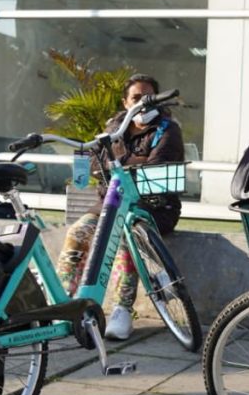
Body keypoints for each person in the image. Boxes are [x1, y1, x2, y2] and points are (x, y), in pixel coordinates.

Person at [56, 73, 185, 340]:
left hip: (154, 207)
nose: (142, 103)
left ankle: (122, 310)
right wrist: (128, 163)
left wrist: (116, 166)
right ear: (126, 102)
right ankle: (65, 303)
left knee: (125, 237)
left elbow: (155, 167)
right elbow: (95, 164)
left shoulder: (168, 129)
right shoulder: (113, 128)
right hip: (111, 204)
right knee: (77, 233)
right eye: (136, 98)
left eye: (148, 97)